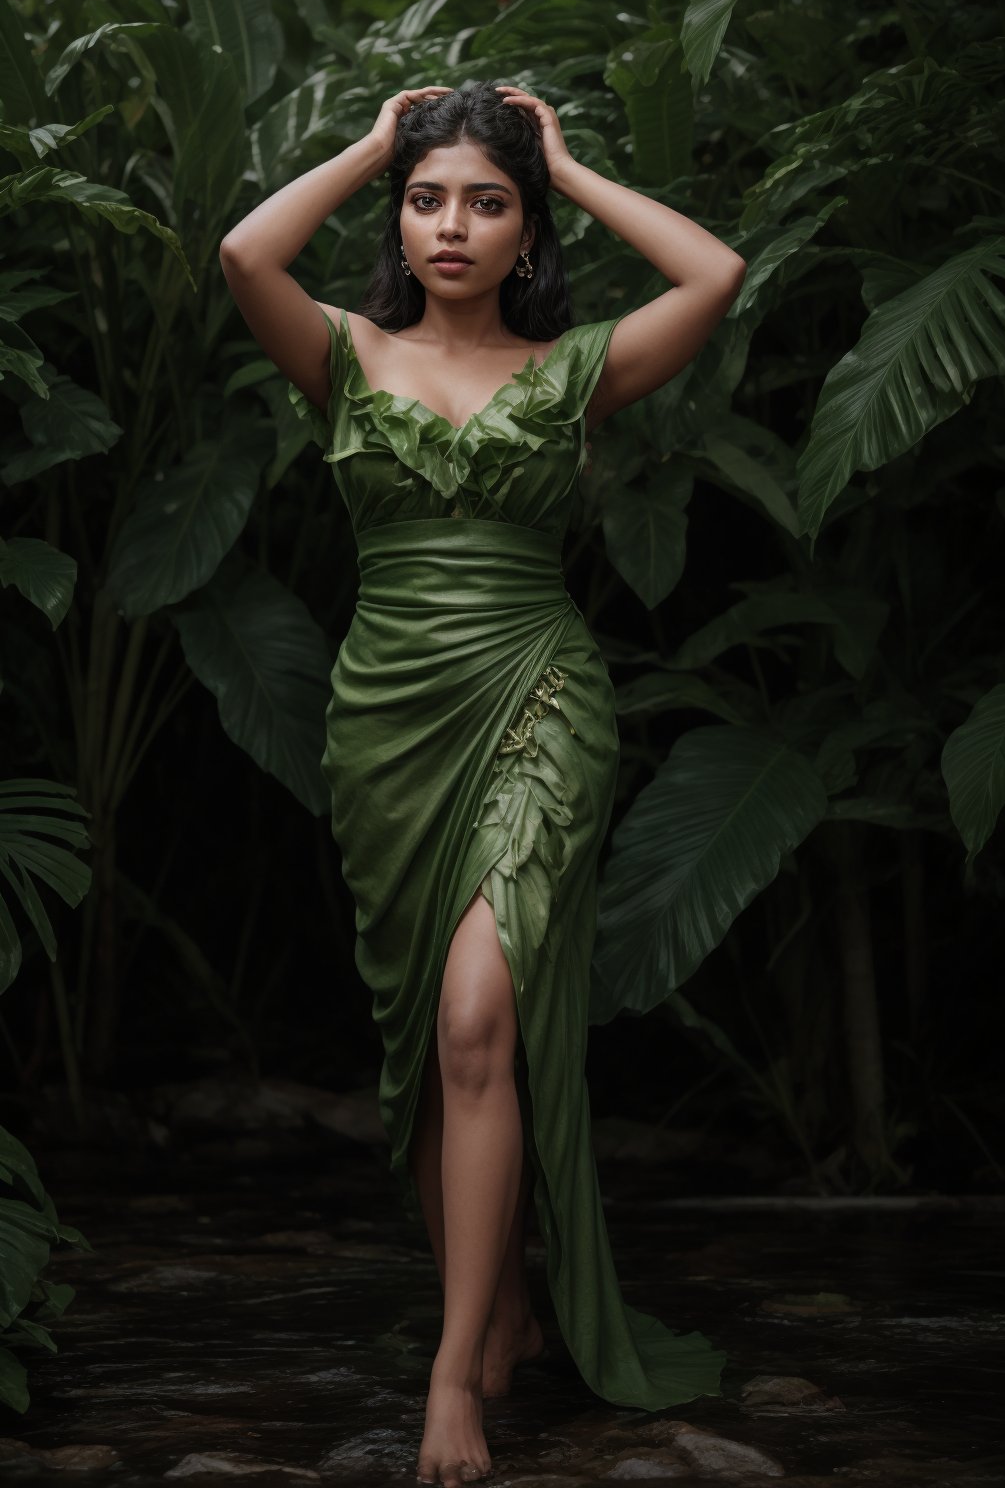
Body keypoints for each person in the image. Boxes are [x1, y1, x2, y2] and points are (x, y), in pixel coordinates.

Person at [220, 79, 746, 1488]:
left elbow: (720, 272)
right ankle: (498, 1300)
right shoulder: (341, 355)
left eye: (489, 201)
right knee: (422, 1049)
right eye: (430, 197)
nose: (453, 223)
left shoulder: (577, 370)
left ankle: (455, 1373)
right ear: (401, 216)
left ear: (529, 232)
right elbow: (241, 256)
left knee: (476, 1023)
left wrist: (567, 163)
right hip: (389, 724)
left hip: (539, 697)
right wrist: (367, 144)